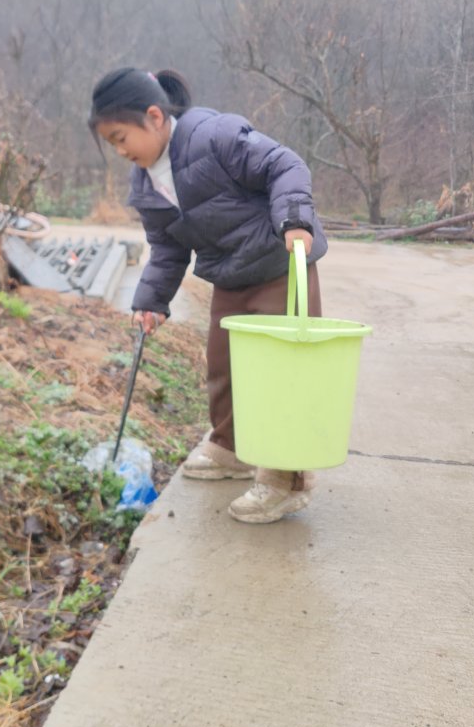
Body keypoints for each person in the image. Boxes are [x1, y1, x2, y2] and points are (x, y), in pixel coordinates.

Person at [89, 67, 327, 524]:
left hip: (279, 265)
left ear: (154, 116)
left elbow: (286, 164)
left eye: (121, 138)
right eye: (111, 144)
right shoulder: (145, 183)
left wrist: (295, 219)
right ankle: (231, 448)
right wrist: (150, 301)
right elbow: (167, 248)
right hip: (230, 276)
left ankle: (286, 478)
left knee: (281, 375)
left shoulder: (214, 136)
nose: (120, 151)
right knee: (224, 367)